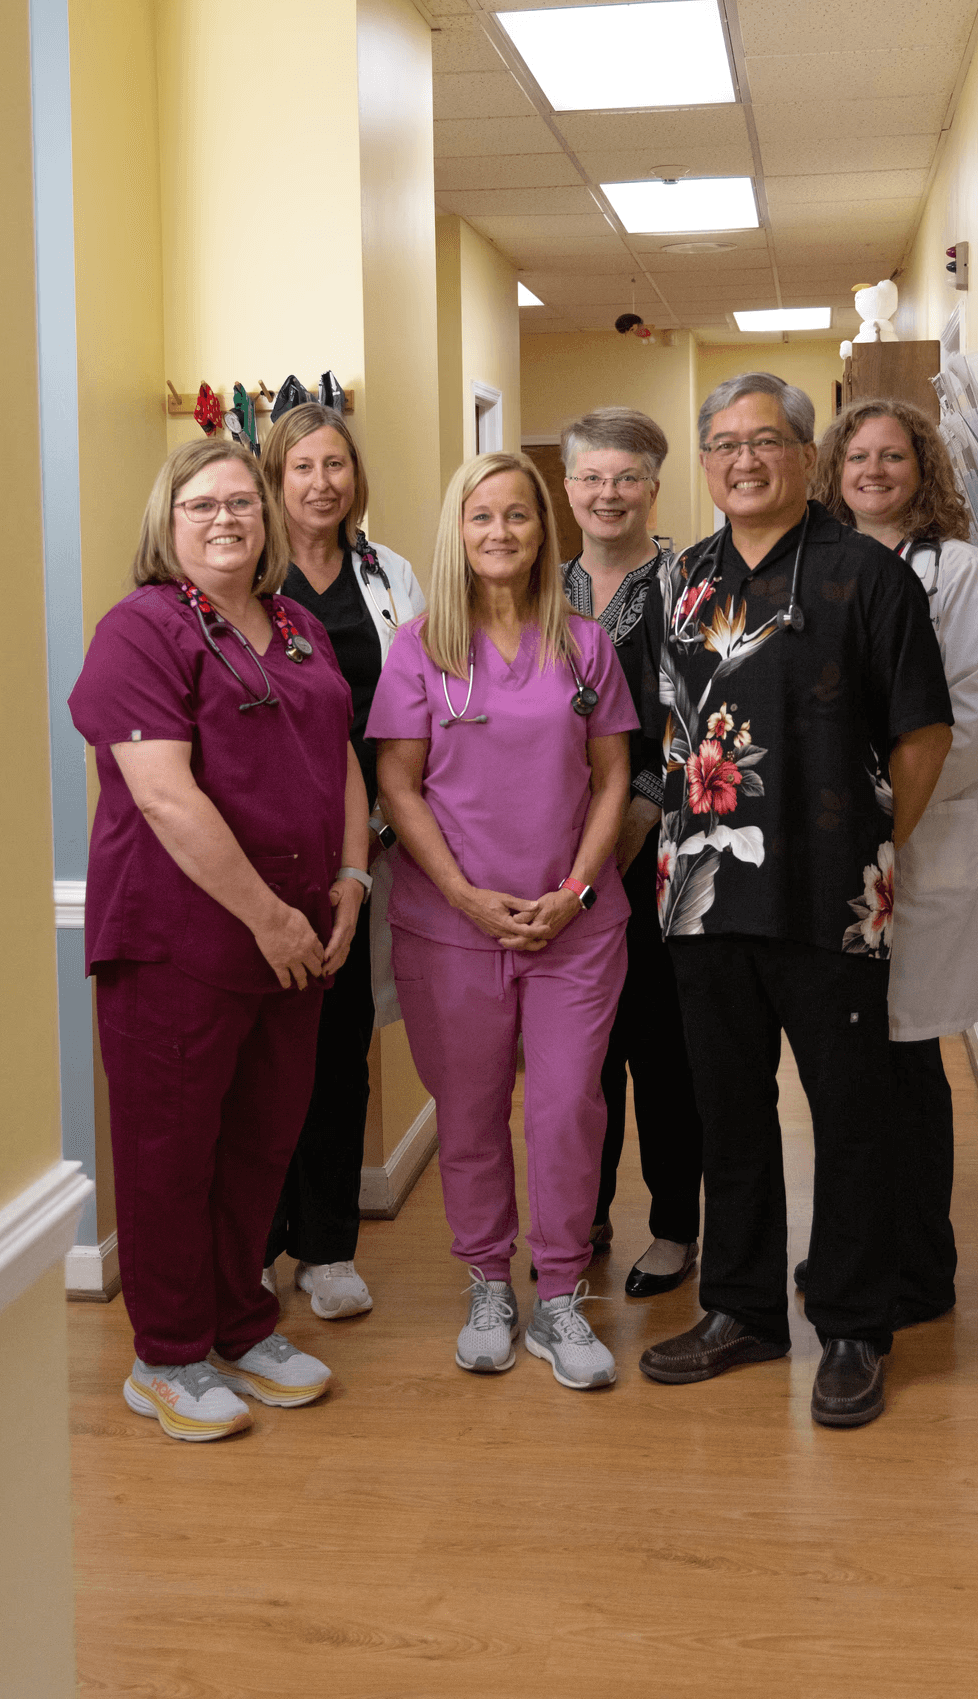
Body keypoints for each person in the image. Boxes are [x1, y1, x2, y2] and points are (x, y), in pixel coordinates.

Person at [636, 373, 954, 1429]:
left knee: (853, 1119)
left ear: (801, 456)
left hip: (832, 900)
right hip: (702, 899)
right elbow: (657, 739)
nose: (741, 460)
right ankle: (741, 1312)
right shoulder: (679, 580)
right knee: (727, 1114)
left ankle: (856, 1326)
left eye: (763, 440)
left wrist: (866, 848)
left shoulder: (869, 577)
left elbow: (921, 737)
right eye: (721, 443)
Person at [68, 438, 371, 1441]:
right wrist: (271, 914)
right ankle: (167, 1354)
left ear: (270, 518)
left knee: (260, 1142)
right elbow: (163, 792)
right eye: (201, 505)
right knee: (171, 1151)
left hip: (295, 935)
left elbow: (340, 756)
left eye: (242, 502)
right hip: (179, 936)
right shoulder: (141, 631)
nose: (225, 519)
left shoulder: (296, 627)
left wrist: (350, 878)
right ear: (168, 519)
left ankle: (240, 1325)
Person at [369, 452, 636, 1390]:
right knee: (471, 1113)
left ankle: (559, 1294)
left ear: (540, 531)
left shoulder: (585, 646)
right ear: (459, 529)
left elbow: (612, 780)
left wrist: (572, 890)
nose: (499, 533)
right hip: (450, 927)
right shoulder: (419, 649)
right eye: (481, 516)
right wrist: (464, 896)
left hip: (573, 926)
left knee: (568, 1109)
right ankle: (488, 1280)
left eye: (517, 516)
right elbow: (397, 786)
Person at [807, 397, 978, 1325]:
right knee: (855, 1066)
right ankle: (863, 1255)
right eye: (857, 457)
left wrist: (877, 819)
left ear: (922, 470)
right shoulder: (822, 568)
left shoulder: (965, 575)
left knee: (908, 1067)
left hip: (919, 849)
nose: (874, 472)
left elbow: (967, 726)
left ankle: (919, 1271)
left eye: (893, 457)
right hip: (837, 855)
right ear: (834, 472)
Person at [259, 402, 425, 1321]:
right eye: (302, 467)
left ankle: (325, 1248)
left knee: (335, 1050)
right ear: (274, 477)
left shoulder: (389, 574)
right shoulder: (244, 571)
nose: (322, 483)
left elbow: (424, 693)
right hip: (269, 847)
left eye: (337, 466)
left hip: (370, 847)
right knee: (258, 1053)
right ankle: (256, 1242)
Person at [559, 407, 702, 1297]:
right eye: (590, 477)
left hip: (661, 864)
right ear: (567, 488)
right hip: (557, 863)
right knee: (580, 1061)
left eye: (626, 477)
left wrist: (626, 829)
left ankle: (674, 1229)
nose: (607, 493)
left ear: (654, 487)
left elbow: (697, 724)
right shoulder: (541, 587)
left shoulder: (691, 588)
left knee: (663, 1054)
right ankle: (583, 1216)